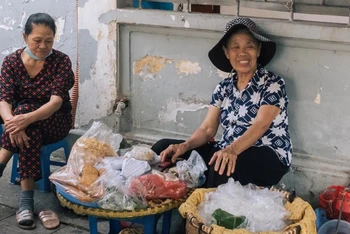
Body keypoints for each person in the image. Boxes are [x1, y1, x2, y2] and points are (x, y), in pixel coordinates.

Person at [152, 17, 292, 188]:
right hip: (226, 150)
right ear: (226, 52)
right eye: (235, 46)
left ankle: (200, 211)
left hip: (267, 154)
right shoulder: (223, 87)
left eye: (249, 46)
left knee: (221, 166)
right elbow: (207, 129)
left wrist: (231, 151)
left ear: (258, 50)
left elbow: (260, 125)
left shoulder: (273, 83)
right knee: (163, 149)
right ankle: (165, 201)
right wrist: (185, 145)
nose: (242, 53)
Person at [0, 13, 74, 229]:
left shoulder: (61, 61)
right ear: (25, 37)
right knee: (27, 127)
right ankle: (26, 203)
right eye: (37, 40)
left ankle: (2, 163)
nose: (43, 46)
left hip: (56, 121)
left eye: (49, 41)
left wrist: (23, 120)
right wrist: (14, 123)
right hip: (23, 125)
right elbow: (3, 101)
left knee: (26, 111)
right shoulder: (11, 62)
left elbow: (55, 103)